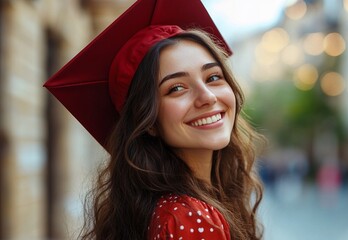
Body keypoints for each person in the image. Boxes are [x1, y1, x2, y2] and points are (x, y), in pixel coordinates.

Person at [44, 0, 265, 239]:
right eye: (177, 88)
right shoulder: (188, 217)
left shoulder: (169, 208)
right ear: (148, 122)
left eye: (213, 77)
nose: (208, 97)